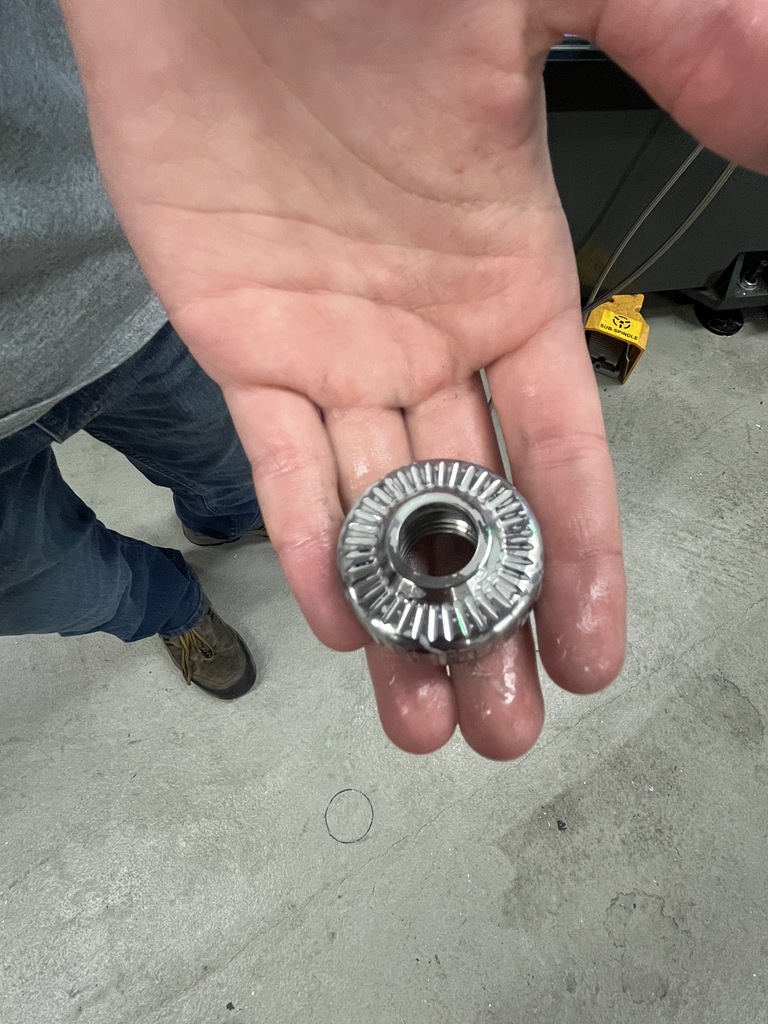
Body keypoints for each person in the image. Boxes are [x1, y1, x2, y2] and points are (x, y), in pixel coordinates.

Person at [2, 0, 766, 759]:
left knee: (229, 460)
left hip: (152, 273)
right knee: (58, 581)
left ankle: (225, 519)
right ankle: (169, 609)